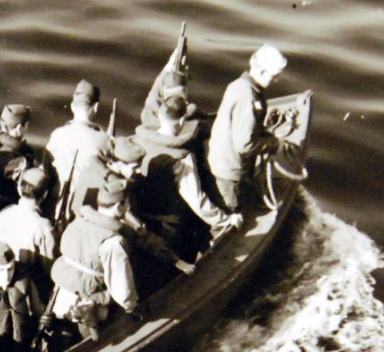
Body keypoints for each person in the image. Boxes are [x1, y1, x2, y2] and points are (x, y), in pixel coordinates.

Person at [134, 95, 242, 252]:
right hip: (171, 225)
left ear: (160, 115)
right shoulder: (182, 157)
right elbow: (197, 201)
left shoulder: (142, 140)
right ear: (181, 121)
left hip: (145, 218)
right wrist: (226, 219)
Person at [208, 44, 288, 212]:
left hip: (224, 161)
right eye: (274, 76)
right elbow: (244, 145)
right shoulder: (248, 97)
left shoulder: (239, 84)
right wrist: (273, 144)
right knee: (234, 212)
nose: (277, 80)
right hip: (229, 171)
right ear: (262, 72)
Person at [56, 179, 143, 323]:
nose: (129, 206)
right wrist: (131, 307)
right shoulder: (112, 241)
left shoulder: (79, 221)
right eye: (127, 203)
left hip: (65, 282)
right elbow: (121, 284)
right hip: (92, 296)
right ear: (118, 207)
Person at [45, 80, 109, 220]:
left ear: (73, 107)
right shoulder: (103, 139)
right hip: (84, 209)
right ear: (96, 106)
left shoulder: (56, 134)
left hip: (55, 205)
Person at [0, 165, 57, 290]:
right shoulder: (42, 225)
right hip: (26, 284)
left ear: (19, 189)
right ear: (45, 194)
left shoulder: (4, 213)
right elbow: (49, 266)